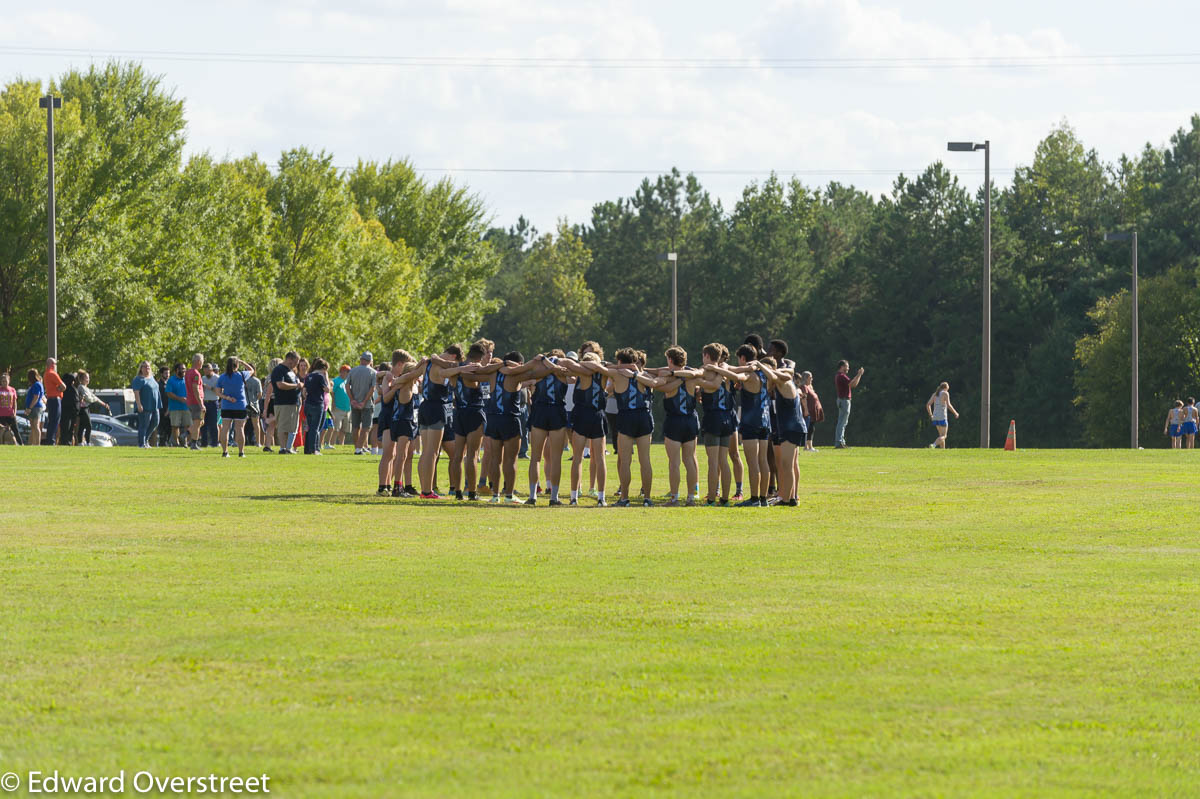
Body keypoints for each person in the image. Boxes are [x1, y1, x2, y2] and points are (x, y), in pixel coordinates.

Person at [654, 346, 706, 506]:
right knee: (690, 459)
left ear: (670, 360)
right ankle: (691, 497)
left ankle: (674, 498)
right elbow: (699, 373)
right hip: (690, 420)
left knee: (674, 462)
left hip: (674, 421)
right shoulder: (691, 377)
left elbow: (657, 382)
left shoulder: (670, 378)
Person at [523, 351, 573, 506]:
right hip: (556, 411)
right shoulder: (562, 371)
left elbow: (526, 378)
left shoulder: (538, 371)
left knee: (535, 457)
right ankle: (554, 497)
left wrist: (543, 361)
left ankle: (533, 496)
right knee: (556, 458)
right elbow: (572, 377)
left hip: (539, 412)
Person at [561, 351, 609, 506]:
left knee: (577, 458)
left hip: (582, 415)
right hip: (597, 416)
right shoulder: (603, 374)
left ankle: (574, 497)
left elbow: (567, 363)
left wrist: (581, 365)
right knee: (599, 459)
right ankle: (601, 498)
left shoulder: (581, 373)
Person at [757, 357, 806, 506]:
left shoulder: (783, 381)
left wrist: (759, 364)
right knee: (788, 464)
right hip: (791, 428)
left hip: (792, 428)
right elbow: (791, 366)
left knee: (786, 465)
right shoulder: (783, 380)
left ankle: (787, 499)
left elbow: (773, 376)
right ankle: (789, 497)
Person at [376, 351, 425, 495]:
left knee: (403, 455)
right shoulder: (392, 378)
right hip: (392, 417)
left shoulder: (400, 380)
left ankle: (398, 485)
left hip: (404, 419)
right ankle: (384, 486)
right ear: (399, 364)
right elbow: (385, 398)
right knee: (390, 454)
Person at [415, 346, 462, 499]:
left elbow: (413, 374)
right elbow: (453, 369)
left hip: (424, 407)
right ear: (453, 356)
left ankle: (425, 489)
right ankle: (427, 491)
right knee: (432, 452)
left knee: (426, 451)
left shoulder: (426, 364)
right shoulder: (439, 365)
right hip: (436, 408)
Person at [447, 343, 489, 501]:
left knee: (457, 455)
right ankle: (472, 492)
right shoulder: (474, 368)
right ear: (482, 356)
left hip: (458, 413)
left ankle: (457, 492)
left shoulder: (456, 369)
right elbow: (486, 375)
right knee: (472, 455)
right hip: (474, 412)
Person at [698, 343, 737, 505]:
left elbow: (708, 384)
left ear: (707, 356)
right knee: (723, 460)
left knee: (713, 462)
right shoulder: (726, 373)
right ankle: (725, 498)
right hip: (727, 419)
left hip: (713, 418)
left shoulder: (706, 372)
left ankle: (712, 498)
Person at [216, 356, 256, 457]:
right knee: (240, 429)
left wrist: (227, 398)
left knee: (225, 428)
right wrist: (242, 362)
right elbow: (251, 370)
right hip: (240, 405)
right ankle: (241, 452)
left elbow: (218, 392)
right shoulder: (242, 375)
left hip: (226, 405)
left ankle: (225, 452)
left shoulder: (222, 377)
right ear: (237, 365)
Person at [270, 352, 302, 454]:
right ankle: (282, 448)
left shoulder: (291, 371)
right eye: (295, 362)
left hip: (293, 403)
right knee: (283, 426)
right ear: (289, 359)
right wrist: (296, 386)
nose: (296, 364)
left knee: (291, 427)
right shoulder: (279, 370)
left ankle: (288, 448)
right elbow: (280, 384)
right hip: (283, 403)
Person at [347, 353, 377, 455]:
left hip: (354, 403)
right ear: (370, 361)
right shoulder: (373, 372)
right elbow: (372, 389)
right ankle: (359, 449)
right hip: (367, 404)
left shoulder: (352, 370)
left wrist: (352, 399)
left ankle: (357, 448)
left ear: (361, 359)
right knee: (366, 427)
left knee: (355, 427)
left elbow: (347, 386)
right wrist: (364, 401)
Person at [302, 358, 332, 455]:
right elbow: (327, 390)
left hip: (308, 404)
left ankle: (307, 449)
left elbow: (304, 392)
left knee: (309, 428)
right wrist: (329, 384)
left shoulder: (308, 376)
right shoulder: (320, 376)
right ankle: (314, 449)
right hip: (317, 404)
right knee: (315, 428)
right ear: (323, 368)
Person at [834, 359, 864, 449]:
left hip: (842, 400)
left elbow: (853, 384)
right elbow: (852, 384)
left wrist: (859, 375)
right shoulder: (841, 376)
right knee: (842, 422)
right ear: (842, 367)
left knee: (843, 422)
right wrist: (859, 374)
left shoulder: (840, 376)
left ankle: (841, 441)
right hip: (844, 400)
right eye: (847, 366)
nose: (848, 368)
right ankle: (839, 442)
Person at [74, 370, 110, 446]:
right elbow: (88, 398)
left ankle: (80, 442)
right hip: (83, 409)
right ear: (82, 379)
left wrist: (104, 404)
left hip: (86, 408)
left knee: (82, 426)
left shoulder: (87, 388)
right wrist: (93, 400)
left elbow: (94, 397)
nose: (88, 379)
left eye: (88, 378)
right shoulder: (81, 387)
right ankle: (87, 442)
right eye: (86, 378)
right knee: (89, 425)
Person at [131, 361, 160, 448]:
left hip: (154, 405)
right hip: (145, 405)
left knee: (155, 422)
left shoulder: (152, 378)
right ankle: (141, 443)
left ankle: (146, 439)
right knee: (144, 424)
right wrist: (139, 404)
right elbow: (136, 393)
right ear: (141, 368)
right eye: (144, 367)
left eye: (148, 367)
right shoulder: (138, 379)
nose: (147, 368)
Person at [925, 382, 960, 449]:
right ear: (946, 388)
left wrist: (931, 415)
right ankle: (933, 445)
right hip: (942, 417)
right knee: (944, 436)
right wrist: (955, 413)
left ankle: (942, 451)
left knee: (941, 436)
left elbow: (928, 405)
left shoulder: (935, 394)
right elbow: (949, 405)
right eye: (947, 389)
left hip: (935, 417)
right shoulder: (945, 393)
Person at [164, 363, 190, 447]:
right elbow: (168, 393)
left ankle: (185, 443)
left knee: (187, 425)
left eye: (184, 368)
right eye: (182, 369)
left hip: (187, 407)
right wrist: (180, 399)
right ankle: (176, 443)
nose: (184, 370)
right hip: (175, 407)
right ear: (176, 370)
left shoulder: (187, 379)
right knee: (175, 426)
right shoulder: (171, 380)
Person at [42, 357, 64, 445]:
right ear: (51, 364)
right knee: (55, 421)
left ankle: (50, 440)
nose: (55, 366)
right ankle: (51, 441)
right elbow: (63, 386)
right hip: (55, 400)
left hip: (50, 399)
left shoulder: (46, 374)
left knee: (51, 421)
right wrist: (59, 389)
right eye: (55, 364)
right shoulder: (52, 374)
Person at [185, 354, 205, 450]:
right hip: (196, 401)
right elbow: (195, 388)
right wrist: (201, 404)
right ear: (199, 362)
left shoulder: (188, 372)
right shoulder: (196, 374)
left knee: (201, 421)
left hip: (190, 400)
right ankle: (194, 444)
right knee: (197, 423)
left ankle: (187, 433)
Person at [800, 371, 823, 452]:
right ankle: (807, 447)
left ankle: (810, 446)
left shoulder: (809, 386)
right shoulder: (803, 387)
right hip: (808, 411)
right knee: (809, 428)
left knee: (811, 428)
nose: (812, 379)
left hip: (813, 411)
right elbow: (804, 398)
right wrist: (806, 410)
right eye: (810, 378)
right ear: (805, 378)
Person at [331, 365, 352, 446]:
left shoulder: (348, 381)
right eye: (347, 372)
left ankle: (341, 445)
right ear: (342, 371)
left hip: (347, 408)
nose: (348, 374)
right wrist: (333, 404)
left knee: (344, 429)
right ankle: (331, 444)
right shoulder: (335, 381)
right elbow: (331, 392)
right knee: (336, 428)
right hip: (337, 408)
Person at [201, 363, 221, 448]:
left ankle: (214, 443)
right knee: (203, 424)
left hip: (213, 402)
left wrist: (209, 387)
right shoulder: (203, 378)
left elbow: (219, 391)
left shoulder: (217, 378)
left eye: (207, 371)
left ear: (211, 370)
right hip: (205, 402)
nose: (206, 373)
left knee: (213, 424)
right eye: (204, 371)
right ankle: (204, 443)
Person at [24, 369, 45, 446]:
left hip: (36, 407)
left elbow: (36, 397)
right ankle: (32, 443)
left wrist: (29, 408)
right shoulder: (35, 384)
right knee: (32, 426)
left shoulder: (36, 384)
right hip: (32, 407)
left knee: (36, 425)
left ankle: (37, 444)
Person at [58, 370, 78, 446]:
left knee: (64, 430)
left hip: (64, 412)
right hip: (71, 413)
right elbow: (76, 403)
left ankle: (63, 442)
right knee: (70, 430)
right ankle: (67, 443)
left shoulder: (62, 389)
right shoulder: (73, 390)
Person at [0, 371, 21, 445]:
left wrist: (14, 412)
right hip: (1, 415)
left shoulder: (12, 390)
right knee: (1, 431)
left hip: (10, 414)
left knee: (15, 430)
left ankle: (21, 444)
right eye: (2, 381)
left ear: (8, 381)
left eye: (5, 381)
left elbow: (15, 402)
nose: (4, 383)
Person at [244, 368, 263, 447]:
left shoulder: (243, 380)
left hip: (244, 404)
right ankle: (258, 442)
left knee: (241, 424)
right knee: (256, 425)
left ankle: (237, 441)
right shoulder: (257, 380)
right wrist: (255, 399)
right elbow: (260, 394)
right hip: (254, 405)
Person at [155, 366, 172, 446]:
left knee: (170, 430)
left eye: (168, 373)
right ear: (161, 374)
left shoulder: (170, 384)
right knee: (162, 431)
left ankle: (168, 443)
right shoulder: (158, 385)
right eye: (166, 373)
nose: (167, 375)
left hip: (170, 410)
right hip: (161, 411)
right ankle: (162, 444)